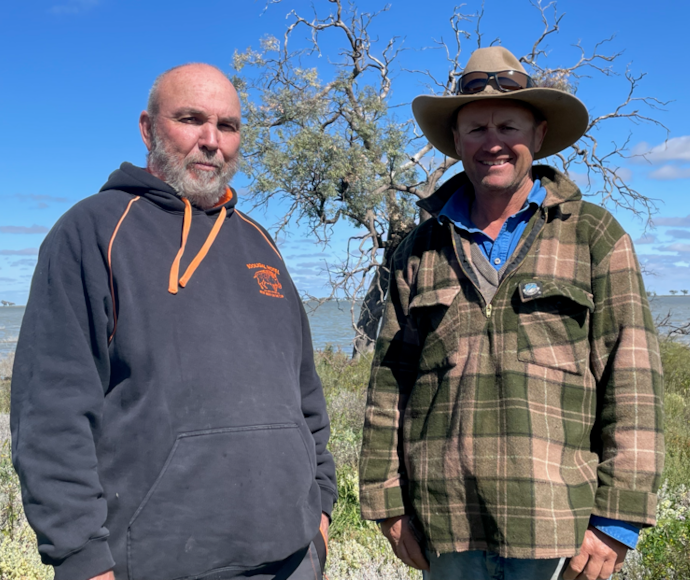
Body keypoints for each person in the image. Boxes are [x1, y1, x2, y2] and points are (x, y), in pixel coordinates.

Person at [11, 63, 336, 580]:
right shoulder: (92, 232)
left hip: (293, 556)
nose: (211, 141)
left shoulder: (261, 244)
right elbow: (51, 413)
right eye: (191, 119)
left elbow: (304, 393)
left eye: (227, 126)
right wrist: (80, 558)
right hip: (158, 563)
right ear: (147, 128)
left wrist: (320, 509)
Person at [359, 47, 663, 580]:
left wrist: (617, 519)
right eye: (475, 128)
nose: (492, 142)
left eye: (507, 125)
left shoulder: (593, 235)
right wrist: (387, 502)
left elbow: (632, 376)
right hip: (444, 525)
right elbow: (390, 382)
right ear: (455, 141)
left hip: (559, 528)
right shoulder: (418, 249)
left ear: (538, 135)